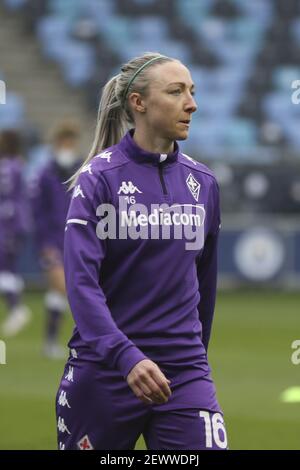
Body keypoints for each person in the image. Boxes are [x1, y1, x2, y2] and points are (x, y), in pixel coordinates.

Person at [56, 52, 228, 450]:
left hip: (183, 375)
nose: (192, 103)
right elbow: (81, 284)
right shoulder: (98, 180)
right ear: (139, 104)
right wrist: (125, 356)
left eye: (192, 91)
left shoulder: (204, 184)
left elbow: (206, 283)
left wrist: (194, 361)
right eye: (176, 91)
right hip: (104, 372)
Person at [31, 121, 82, 359]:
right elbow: (38, 212)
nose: (67, 146)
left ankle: (52, 340)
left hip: (78, 241)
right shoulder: (45, 174)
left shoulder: (83, 171)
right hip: (53, 240)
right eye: (63, 142)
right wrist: (44, 245)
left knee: (58, 293)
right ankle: (78, 336)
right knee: (63, 288)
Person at [0, 129, 31, 336]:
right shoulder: (18, 164)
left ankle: (17, 308)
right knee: (10, 268)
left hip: (8, 222)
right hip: (16, 222)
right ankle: (16, 307)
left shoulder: (8, 167)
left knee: (4, 267)